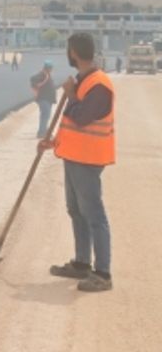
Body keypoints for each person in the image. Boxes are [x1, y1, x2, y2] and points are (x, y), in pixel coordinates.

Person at [39, 32, 115, 292]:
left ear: (73, 51)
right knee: (76, 210)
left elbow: (82, 117)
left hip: (88, 160)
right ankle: (82, 263)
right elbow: (72, 125)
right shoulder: (83, 81)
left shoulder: (99, 84)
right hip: (73, 156)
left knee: (94, 214)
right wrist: (52, 143)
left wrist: (71, 94)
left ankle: (103, 273)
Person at [29, 60, 57, 138]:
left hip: (48, 99)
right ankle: (41, 133)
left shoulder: (47, 74)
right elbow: (32, 79)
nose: (51, 69)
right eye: (50, 68)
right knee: (45, 115)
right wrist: (36, 85)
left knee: (46, 115)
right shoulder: (42, 74)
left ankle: (45, 131)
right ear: (47, 68)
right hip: (43, 98)